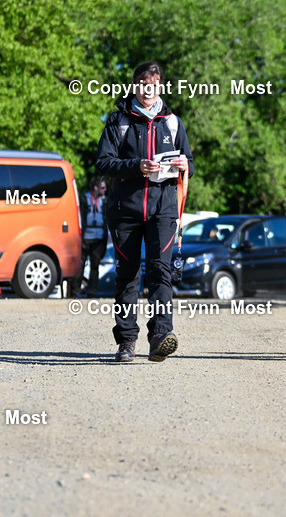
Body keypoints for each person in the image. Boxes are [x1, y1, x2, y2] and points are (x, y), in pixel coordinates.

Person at [96, 61, 195, 363]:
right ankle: (126, 340)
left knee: (160, 271)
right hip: (125, 210)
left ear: (160, 86)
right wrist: (136, 167)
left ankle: (160, 336)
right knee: (127, 275)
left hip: (163, 210)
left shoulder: (173, 122)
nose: (148, 89)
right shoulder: (118, 121)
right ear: (135, 86)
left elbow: (189, 160)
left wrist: (183, 164)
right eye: (142, 83)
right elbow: (103, 163)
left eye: (153, 84)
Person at [71, 177, 108, 299]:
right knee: (80, 264)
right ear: (95, 188)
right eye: (102, 187)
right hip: (84, 237)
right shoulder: (83, 199)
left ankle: (92, 291)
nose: (105, 190)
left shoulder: (105, 201)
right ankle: (75, 290)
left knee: (95, 265)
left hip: (98, 238)